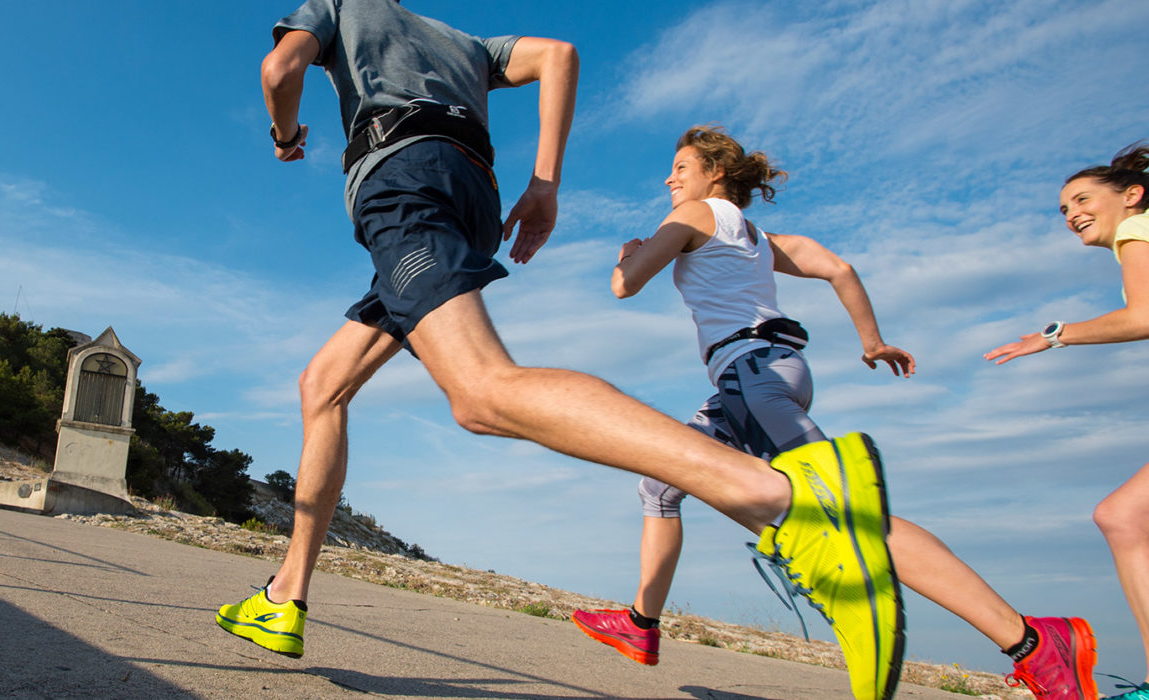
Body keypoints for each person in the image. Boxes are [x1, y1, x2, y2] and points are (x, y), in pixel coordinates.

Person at [220, 3, 902, 698]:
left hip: (405, 188)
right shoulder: (465, 43)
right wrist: (544, 182)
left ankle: (776, 495)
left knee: (480, 393)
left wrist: (285, 134)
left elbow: (281, 70)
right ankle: (286, 595)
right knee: (324, 384)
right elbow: (559, 56)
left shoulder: (337, 6)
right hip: (471, 198)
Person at [573, 125, 1097, 699]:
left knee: (849, 520)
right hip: (764, 373)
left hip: (755, 377)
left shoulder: (698, 214)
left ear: (714, 172)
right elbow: (839, 268)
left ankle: (1030, 641)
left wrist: (628, 254)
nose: (669, 178)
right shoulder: (758, 237)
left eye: (681, 167)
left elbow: (626, 284)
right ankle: (641, 626)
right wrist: (870, 342)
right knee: (661, 484)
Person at [987, 141, 1149, 700]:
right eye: (1062, 208)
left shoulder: (1137, 231)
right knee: (1123, 517)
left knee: (1123, 517)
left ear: (1131, 196)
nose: (1071, 213)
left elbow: (1143, 316)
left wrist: (1053, 336)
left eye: (1082, 198)